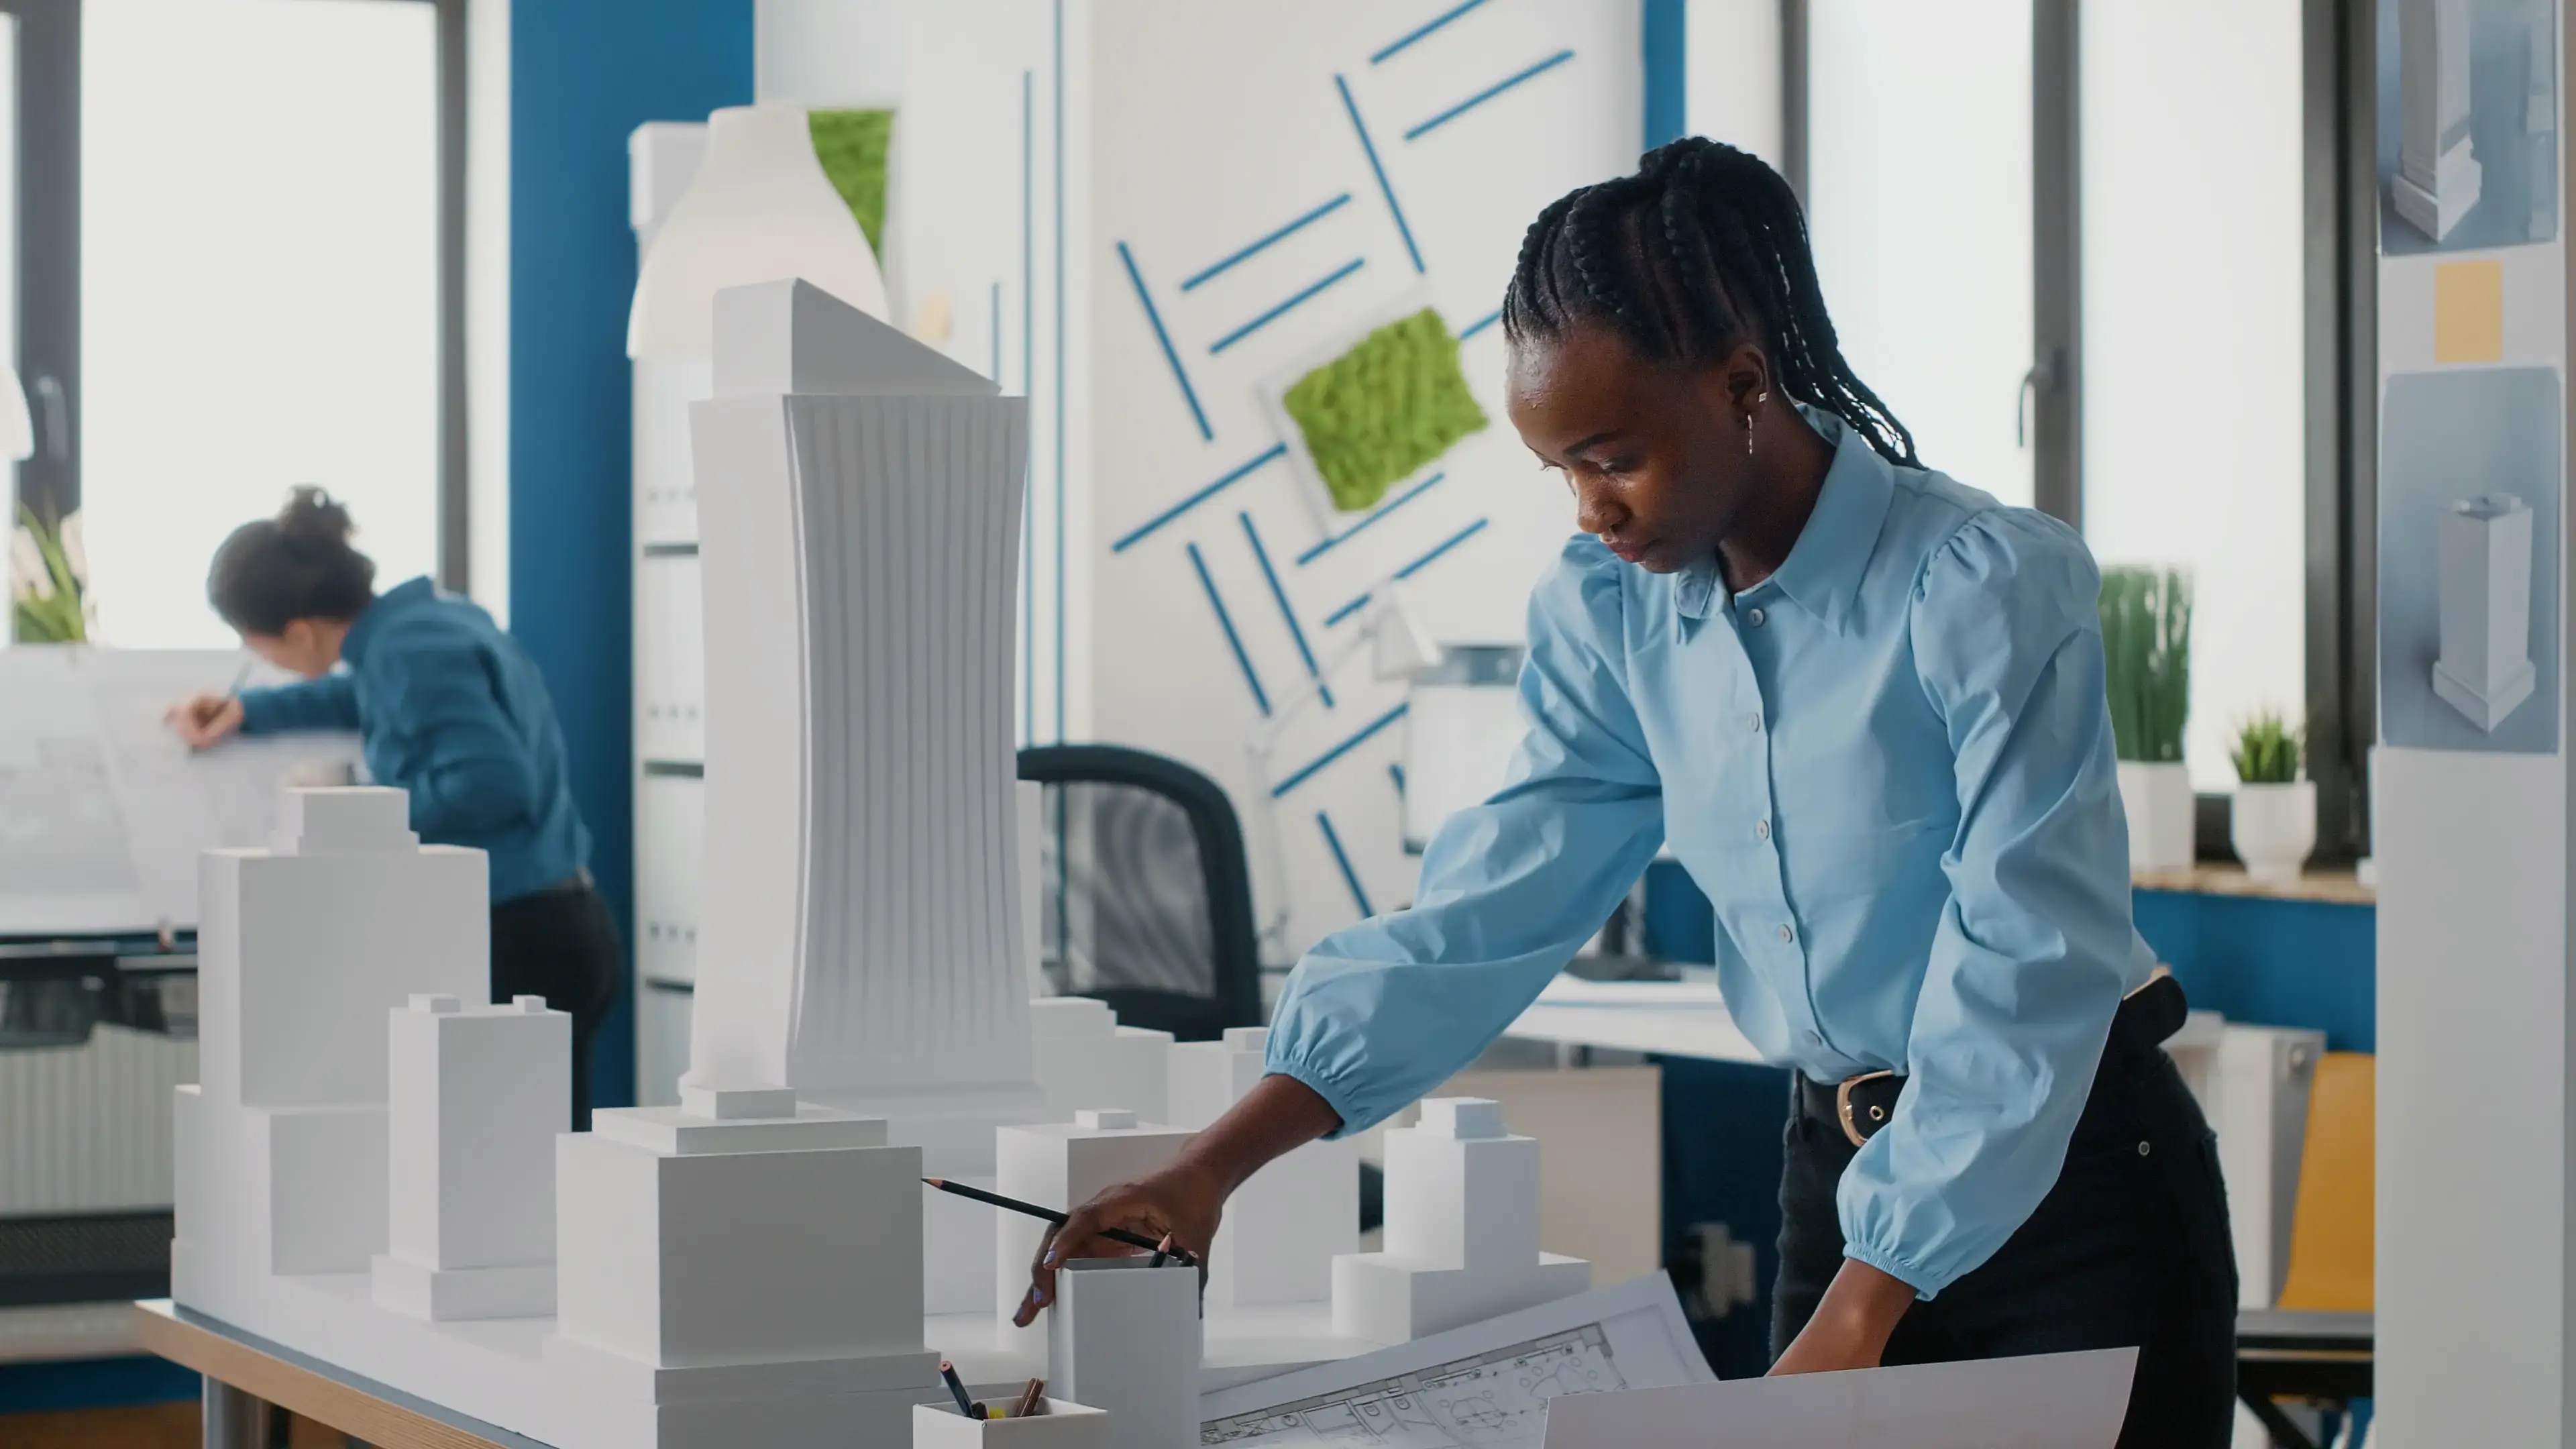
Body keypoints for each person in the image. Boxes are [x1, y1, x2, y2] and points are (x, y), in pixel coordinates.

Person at [1019, 138, 2233, 1446]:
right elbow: (1487, 914)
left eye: (1612, 458)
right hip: (1842, 1178)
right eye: (1562, 472)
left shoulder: (1984, 586)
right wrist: (1211, 1170)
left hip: (2079, 1185)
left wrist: (1860, 1312)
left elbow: (2030, 957)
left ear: (1742, 384)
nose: (1591, 509)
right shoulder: (1614, 614)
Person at [167, 487, 621, 1128]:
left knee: (510, 1173)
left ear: (298, 630)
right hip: (560, 924)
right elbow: (366, 699)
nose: (263, 662)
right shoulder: (427, 624)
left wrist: (356, 814)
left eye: (258, 647)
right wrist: (249, 711)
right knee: (532, 1164)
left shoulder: (409, 652)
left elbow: (492, 785)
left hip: (521, 940)